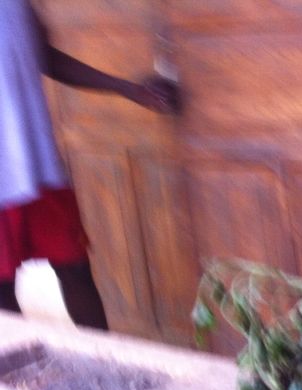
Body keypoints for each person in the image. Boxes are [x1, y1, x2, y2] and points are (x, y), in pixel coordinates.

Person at [1, 0, 179, 330]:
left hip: (37, 166)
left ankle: (107, 357)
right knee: (2, 288)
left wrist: (127, 89)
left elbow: (42, 54)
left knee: (76, 268)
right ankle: (19, 361)